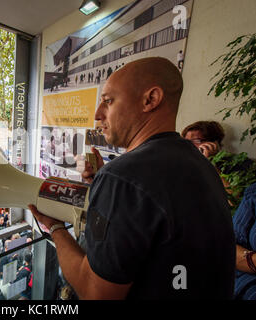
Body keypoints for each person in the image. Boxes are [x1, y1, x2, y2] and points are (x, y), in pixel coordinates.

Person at [29, 57, 235, 299]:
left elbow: (96, 293)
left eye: (108, 101)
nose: (97, 114)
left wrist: (54, 227)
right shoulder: (200, 163)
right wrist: (100, 185)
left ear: (150, 99)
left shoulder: (121, 177)